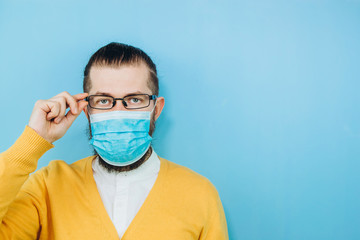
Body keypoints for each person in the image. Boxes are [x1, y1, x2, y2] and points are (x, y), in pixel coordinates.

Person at [0, 42, 228, 239]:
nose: (119, 111)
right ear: (87, 111)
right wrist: (31, 142)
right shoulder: (47, 187)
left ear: (156, 109)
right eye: (104, 101)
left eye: (135, 99)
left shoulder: (200, 195)